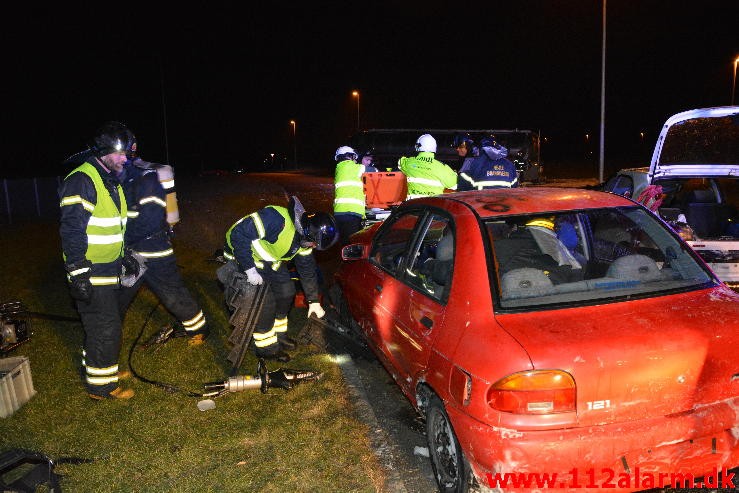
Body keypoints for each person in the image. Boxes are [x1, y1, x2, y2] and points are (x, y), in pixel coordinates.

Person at [58, 121, 137, 400]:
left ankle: (101, 368)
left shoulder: (109, 180)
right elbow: (72, 230)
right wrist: (78, 273)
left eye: (127, 153)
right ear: (103, 151)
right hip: (90, 269)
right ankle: (101, 386)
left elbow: (114, 224)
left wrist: (124, 255)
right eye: (120, 153)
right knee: (105, 326)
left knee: (101, 325)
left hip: (108, 266)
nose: (124, 159)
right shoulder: (82, 180)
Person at [221, 197, 337, 362]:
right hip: (241, 255)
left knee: (286, 292)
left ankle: (279, 335)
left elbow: (307, 270)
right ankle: (266, 348)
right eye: (313, 244)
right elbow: (239, 235)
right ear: (307, 232)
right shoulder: (276, 218)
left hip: (268, 261)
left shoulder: (304, 240)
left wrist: (313, 301)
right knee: (266, 303)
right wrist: (249, 269)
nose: (312, 248)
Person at [117, 154, 209, 345]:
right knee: (117, 297)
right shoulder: (124, 180)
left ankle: (198, 329)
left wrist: (125, 239)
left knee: (173, 294)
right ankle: (105, 339)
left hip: (154, 250)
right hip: (132, 251)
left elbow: (149, 221)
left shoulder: (147, 180)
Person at [398, 134, 458, 199]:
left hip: (412, 206)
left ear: (418, 146)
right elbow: (455, 185)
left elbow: (400, 162)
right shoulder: (443, 168)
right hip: (432, 207)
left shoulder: (409, 162)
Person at [333, 146, 366, 245]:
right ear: (349, 156)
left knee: (344, 241)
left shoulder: (339, 168)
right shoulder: (350, 167)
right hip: (351, 211)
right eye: (353, 157)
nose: (355, 159)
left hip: (340, 211)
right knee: (351, 243)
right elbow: (369, 169)